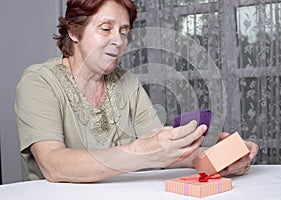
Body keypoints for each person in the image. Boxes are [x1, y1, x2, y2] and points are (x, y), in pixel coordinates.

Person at [15, 0, 258, 183]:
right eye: (105, 28)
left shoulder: (127, 82)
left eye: (123, 31)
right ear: (74, 31)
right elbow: (53, 165)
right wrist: (143, 151)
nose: (118, 41)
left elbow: (162, 153)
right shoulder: (39, 81)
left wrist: (222, 157)